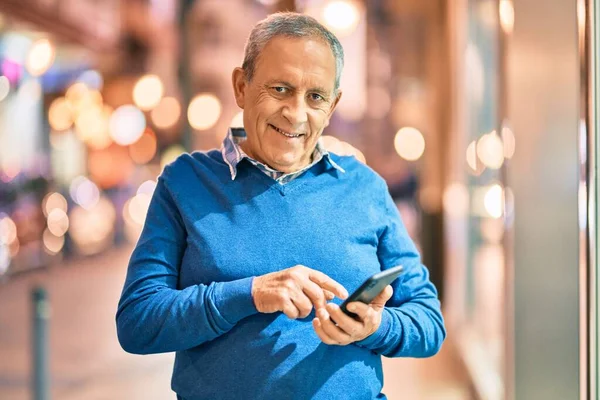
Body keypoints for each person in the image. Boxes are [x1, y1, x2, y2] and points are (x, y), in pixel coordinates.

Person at [116, 12, 445, 400]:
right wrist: (251, 293)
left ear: (333, 105)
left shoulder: (365, 187)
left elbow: (429, 322)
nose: (296, 113)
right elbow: (137, 322)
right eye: (280, 89)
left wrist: (376, 328)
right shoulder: (185, 183)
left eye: (316, 97)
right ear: (242, 86)